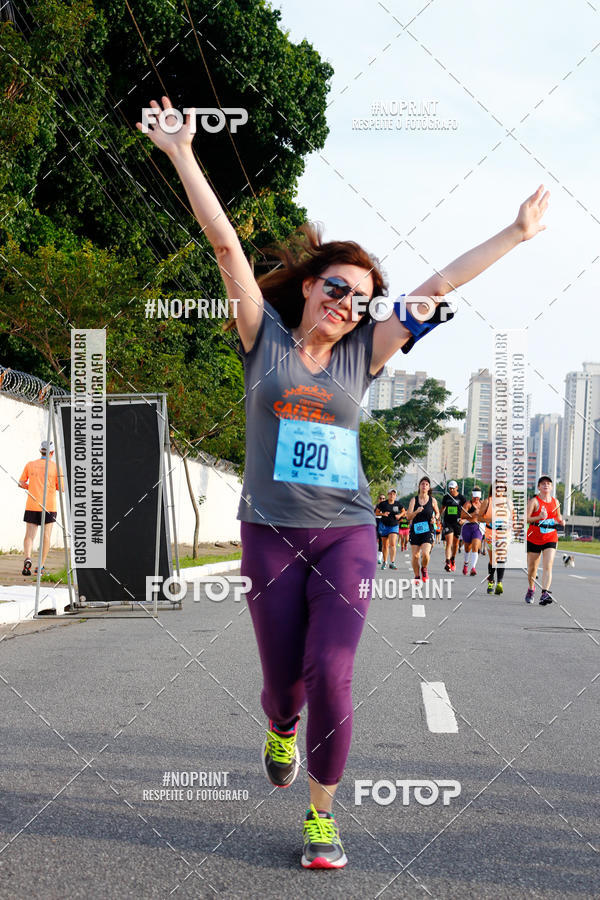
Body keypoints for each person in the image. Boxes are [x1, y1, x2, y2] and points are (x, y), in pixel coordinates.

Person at [138, 96, 549, 869]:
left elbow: (439, 280)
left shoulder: (366, 355)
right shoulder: (262, 339)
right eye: (336, 288)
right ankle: (280, 727)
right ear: (307, 289)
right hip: (269, 534)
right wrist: (184, 153)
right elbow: (225, 246)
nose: (347, 303)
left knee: (332, 668)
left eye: (359, 297)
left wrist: (517, 235)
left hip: (347, 534)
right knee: (283, 687)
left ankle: (322, 816)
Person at [19, 440, 63, 576]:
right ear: (52, 452)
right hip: (49, 506)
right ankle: (40, 567)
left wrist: (29, 486)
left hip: (32, 504)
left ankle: (27, 558)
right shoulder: (56, 467)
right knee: (46, 536)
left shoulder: (30, 465)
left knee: (29, 536)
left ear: (40, 451)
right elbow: (61, 488)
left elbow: (21, 483)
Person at [525, 475, 564, 605]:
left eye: (548, 483)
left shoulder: (556, 502)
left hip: (550, 536)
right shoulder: (534, 502)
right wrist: (539, 517)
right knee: (532, 568)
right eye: (543, 483)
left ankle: (544, 593)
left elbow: (558, 516)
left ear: (551, 487)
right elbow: (525, 519)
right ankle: (531, 589)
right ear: (538, 487)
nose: (545, 485)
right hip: (534, 537)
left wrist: (561, 521)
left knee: (548, 565)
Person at [479, 482, 514, 594]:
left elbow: (514, 518)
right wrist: (489, 520)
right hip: (490, 532)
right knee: (492, 559)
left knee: (501, 557)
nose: (500, 489)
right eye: (497, 487)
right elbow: (479, 517)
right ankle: (491, 580)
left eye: (502, 487)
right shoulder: (487, 502)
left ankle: (499, 583)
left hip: (504, 533)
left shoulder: (508, 503)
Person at [407, 476, 439, 583]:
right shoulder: (414, 500)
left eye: (426, 484)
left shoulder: (433, 500)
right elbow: (408, 517)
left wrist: (435, 518)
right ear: (419, 486)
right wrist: (416, 512)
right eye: (422, 484)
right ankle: (417, 576)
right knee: (415, 556)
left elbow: (438, 513)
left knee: (425, 554)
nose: (424, 486)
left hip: (428, 530)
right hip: (416, 530)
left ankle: (424, 568)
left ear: (429, 487)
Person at [440, 480, 465, 571]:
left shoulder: (461, 498)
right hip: (448, 522)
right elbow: (442, 508)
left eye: (453, 488)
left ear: (457, 488)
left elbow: (466, 510)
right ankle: (447, 562)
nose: (451, 490)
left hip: (457, 523)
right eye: (450, 488)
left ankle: (453, 559)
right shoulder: (446, 497)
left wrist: (464, 519)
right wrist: (438, 517)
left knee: (455, 544)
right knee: (449, 542)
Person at [374, 488, 401, 569]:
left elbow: (403, 511)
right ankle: (385, 562)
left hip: (394, 526)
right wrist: (383, 514)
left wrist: (399, 515)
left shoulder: (398, 504)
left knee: (392, 543)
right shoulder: (383, 504)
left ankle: (392, 562)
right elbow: (376, 512)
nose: (392, 495)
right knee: (385, 545)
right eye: (390, 494)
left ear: (395, 496)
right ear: (388, 495)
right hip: (384, 526)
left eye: (394, 494)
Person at [459, 487, 483, 575]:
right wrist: (473, 514)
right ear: (472, 495)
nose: (476, 498)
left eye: (477, 497)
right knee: (467, 548)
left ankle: (473, 567)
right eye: (474, 496)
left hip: (477, 527)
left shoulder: (482, 504)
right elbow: (462, 515)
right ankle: (466, 563)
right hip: (467, 526)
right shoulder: (468, 504)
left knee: (475, 546)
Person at [374, 493, 386, 564]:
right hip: (376, 523)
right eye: (381, 498)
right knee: (374, 540)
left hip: (383, 523)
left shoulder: (386, 506)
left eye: (383, 498)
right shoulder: (376, 506)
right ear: (378, 499)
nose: (382, 500)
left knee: (381, 540)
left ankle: (379, 557)